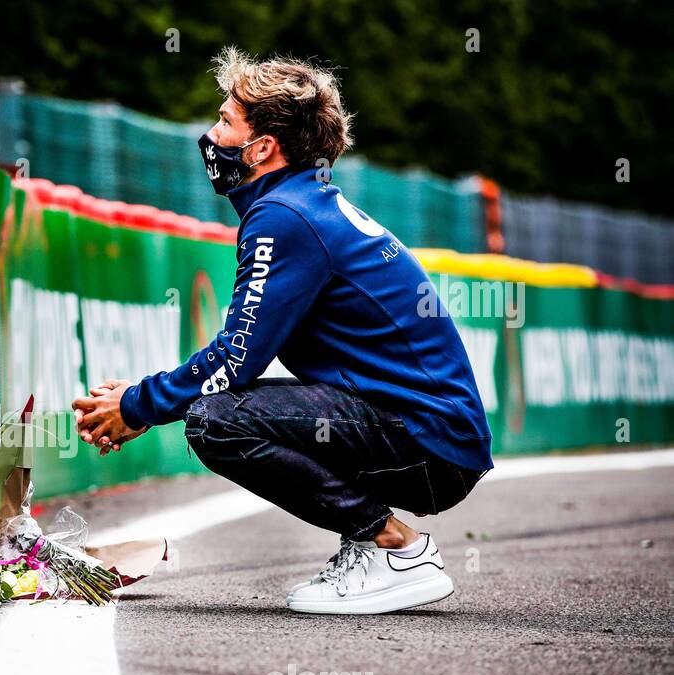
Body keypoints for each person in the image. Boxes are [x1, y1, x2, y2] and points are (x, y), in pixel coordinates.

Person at [72, 49, 493, 614]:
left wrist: (138, 404)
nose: (211, 134)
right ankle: (371, 545)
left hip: (428, 443)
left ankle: (394, 548)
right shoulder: (300, 204)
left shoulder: (284, 217)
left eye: (225, 121)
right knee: (226, 413)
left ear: (263, 146)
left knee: (217, 422)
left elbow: (236, 359)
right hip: (429, 434)